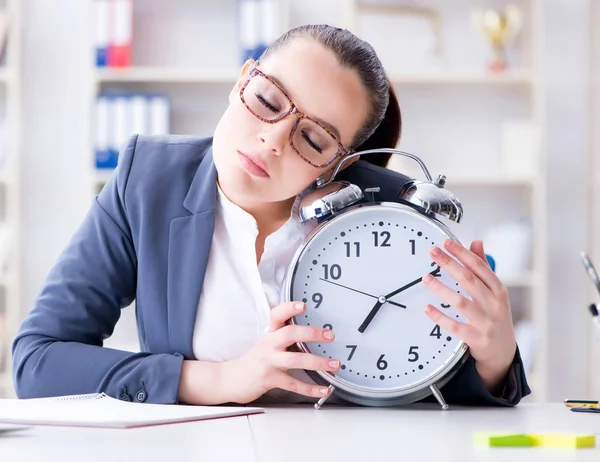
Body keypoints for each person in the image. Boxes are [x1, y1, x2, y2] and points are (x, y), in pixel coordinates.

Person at [12, 24, 529, 406]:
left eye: (313, 139)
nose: (272, 139)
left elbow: (440, 386)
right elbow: (38, 362)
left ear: (340, 164)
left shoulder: (392, 214)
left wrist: (495, 357)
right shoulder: (146, 179)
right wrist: (221, 379)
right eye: (267, 99)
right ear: (242, 80)